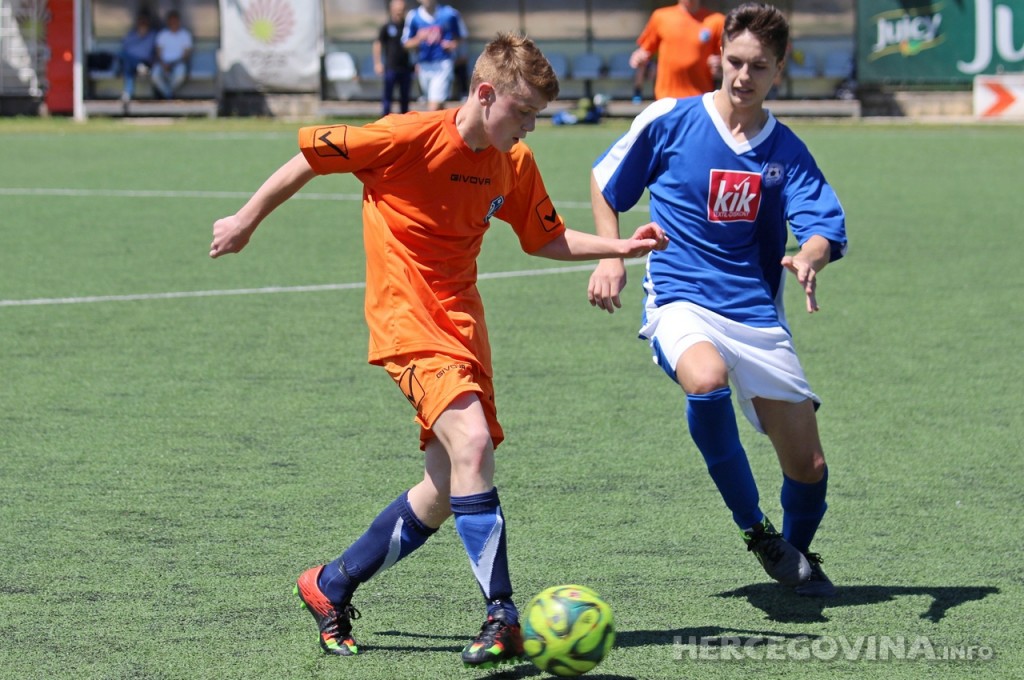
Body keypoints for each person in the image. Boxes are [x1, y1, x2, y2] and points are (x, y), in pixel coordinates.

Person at [209, 32, 667, 668]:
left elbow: (544, 238)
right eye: (523, 111)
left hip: (462, 325)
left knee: (446, 486)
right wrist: (245, 219)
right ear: (485, 94)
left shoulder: (513, 161)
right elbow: (311, 156)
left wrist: (620, 248)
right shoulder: (406, 135)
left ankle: (331, 583)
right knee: (473, 445)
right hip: (406, 320)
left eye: (536, 115)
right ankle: (502, 614)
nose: (530, 126)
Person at [587, 2, 847, 597]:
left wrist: (810, 257)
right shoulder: (670, 119)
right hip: (680, 296)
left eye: (759, 66)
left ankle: (795, 555)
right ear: (719, 56)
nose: (743, 76)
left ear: (779, 70)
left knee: (809, 467)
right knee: (705, 380)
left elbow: (822, 226)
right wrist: (611, 255)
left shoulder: (786, 151)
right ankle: (756, 530)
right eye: (735, 61)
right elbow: (605, 183)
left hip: (755, 311)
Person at [630, 0, 724, 100]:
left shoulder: (717, 21)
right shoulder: (661, 17)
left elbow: (726, 60)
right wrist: (638, 58)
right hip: (666, 98)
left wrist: (719, 66)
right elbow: (645, 51)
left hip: (701, 98)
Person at [402, 0, 466, 111]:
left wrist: (453, 44)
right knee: (437, 104)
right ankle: (446, 121)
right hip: (424, 65)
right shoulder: (413, 16)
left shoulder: (450, 14)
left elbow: (461, 36)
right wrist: (419, 38)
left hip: (443, 63)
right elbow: (406, 44)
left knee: (433, 105)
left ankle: (434, 122)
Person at [374, 0, 414, 116]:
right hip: (391, 67)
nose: (399, 12)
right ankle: (385, 119)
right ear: (392, 9)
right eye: (397, 9)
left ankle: (405, 121)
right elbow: (378, 44)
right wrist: (377, 63)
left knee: (405, 97)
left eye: (402, 9)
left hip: (406, 67)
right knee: (388, 95)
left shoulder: (408, 27)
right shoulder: (387, 26)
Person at [151, 9, 193, 99]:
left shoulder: (185, 35)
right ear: (168, 22)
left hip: (178, 62)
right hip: (163, 63)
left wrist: (173, 64)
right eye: (171, 21)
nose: (173, 23)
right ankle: (168, 94)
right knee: (155, 75)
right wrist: (164, 64)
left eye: (175, 21)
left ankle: (166, 93)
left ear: (179, 21)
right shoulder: (163, 34)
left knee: (179, 75)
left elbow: (186, 54)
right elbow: (158, 52)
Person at [118, 12, 156, 107]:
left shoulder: (152, 35)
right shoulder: (132, 34)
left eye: (144, 22)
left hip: (145, 62)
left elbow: (155, 51)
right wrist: (139, 36)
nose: (143, 25)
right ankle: (138, 67)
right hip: (133, 63)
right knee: (125, 59)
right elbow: (124, 47)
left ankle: (128, 93)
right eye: (141, 22)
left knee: (128, 65)